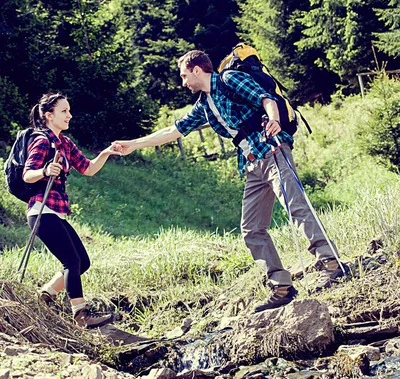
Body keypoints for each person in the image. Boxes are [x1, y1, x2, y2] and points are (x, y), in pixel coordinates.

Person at [114, 50, 347, 312]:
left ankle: (332, 263)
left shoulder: (230, 79)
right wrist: (133, 145)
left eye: (184, 76)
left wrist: (273, 119)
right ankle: (281, 286)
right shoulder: (204, 104)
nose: (183, 83)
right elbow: (174, 130)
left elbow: (266, 98)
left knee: (296, 207)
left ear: (197, 70)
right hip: (251, 163)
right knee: (251, 230)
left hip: (271, 149)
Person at [23, 92, 120, 328]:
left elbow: (88, 169)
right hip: (41, 211)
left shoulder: (65, 143)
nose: (70, 115)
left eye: (69, 110)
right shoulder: (42, 140)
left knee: (82, 262)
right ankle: (81, 315)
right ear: (49, 115)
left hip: (56, 211)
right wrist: (45, 171)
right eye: (64, 111)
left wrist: (106, 152)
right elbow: (28, 175)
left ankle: (45, 294)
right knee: (71, 261)